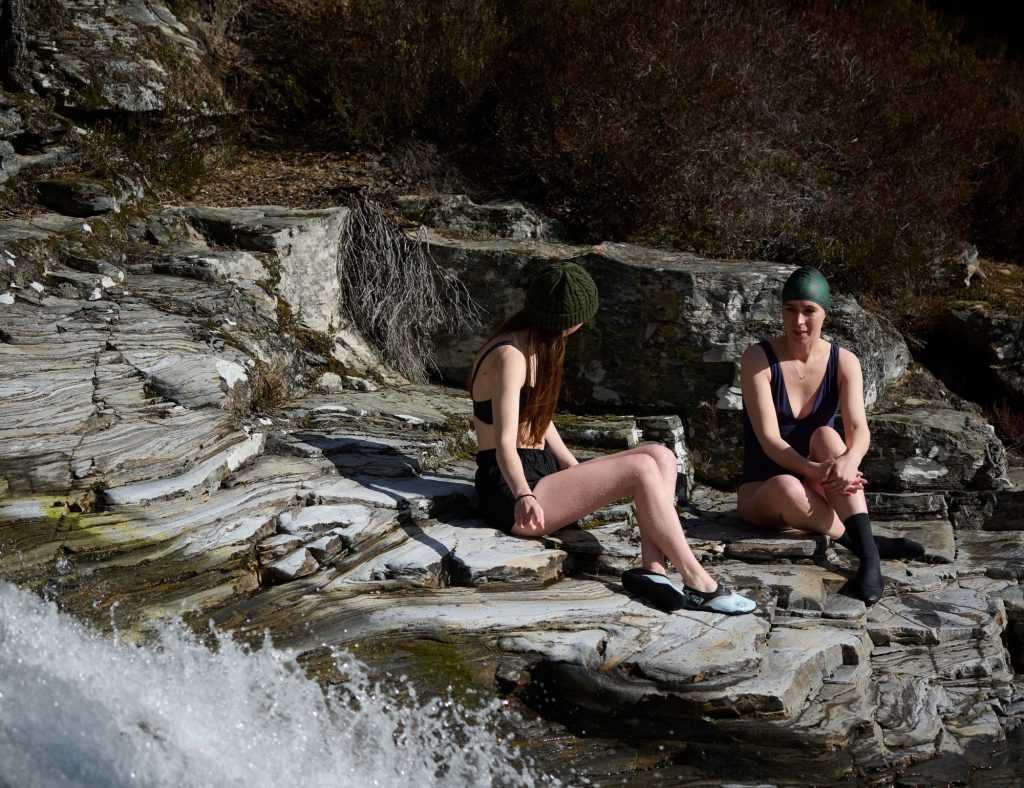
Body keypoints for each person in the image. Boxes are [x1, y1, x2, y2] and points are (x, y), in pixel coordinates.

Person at [471, 262, 755, 615]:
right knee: (640, 468)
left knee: (661, 455)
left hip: (541, 473)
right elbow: (503, 445)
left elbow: (539, 421)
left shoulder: (539, 343)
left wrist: (575, 471)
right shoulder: (510, 357)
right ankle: (698, 581)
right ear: (567, 320)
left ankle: (654, 569)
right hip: (510, 491)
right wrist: (524, 494)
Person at [737, 266, 924, 605]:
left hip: (817, 487)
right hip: (762, 492)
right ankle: (866, 544)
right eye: (790, 310)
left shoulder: (844, 361)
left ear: (825, 313)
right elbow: (769, 439)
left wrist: (848, 460)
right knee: (786, 485)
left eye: (809, 311)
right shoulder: (757, 359)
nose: (799, 322)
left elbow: (859, 431)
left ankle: (869, 561)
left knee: (828, 436)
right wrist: (818, 471)